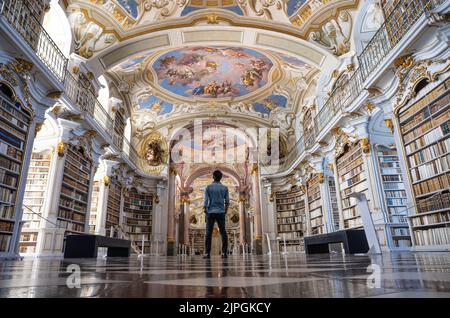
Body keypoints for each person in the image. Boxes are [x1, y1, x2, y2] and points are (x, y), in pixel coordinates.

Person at [203, 170, 229, 259]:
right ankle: (224, 253)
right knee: (223, 232)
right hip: (221, 212)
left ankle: (207, 253)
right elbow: (227, 201)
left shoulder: (208, 187)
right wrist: (225, 210)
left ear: (213, 177)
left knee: (208, 233)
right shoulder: (225, 188)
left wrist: (205, 209)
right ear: (221, 178)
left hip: (211, 212)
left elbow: (206, 200)